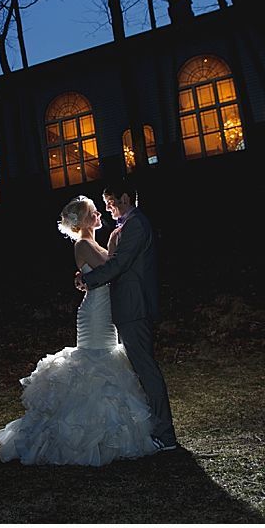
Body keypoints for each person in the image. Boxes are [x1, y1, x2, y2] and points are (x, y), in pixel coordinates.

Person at [0, 196, 156, 466]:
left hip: (106, 312)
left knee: (107, 364)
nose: (99, 215)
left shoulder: (94, 243)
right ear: (83, 220)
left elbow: (111, 265)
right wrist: (116, 245)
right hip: (94, 313)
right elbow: (111, 268)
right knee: (94, 365)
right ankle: (77, 436)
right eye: (94, 212)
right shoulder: (82, 244)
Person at [76, 179, 178, 452]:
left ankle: (165, 434)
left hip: (135, 307)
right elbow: (113, 262)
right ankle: (154, 428)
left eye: (110, 203)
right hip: (126, 308)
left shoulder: (136, 225)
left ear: (124, 198)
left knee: (146, 369)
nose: (108, 210)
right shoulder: (126, 227)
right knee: (139, 369)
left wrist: (90, 279)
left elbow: (120, 264)